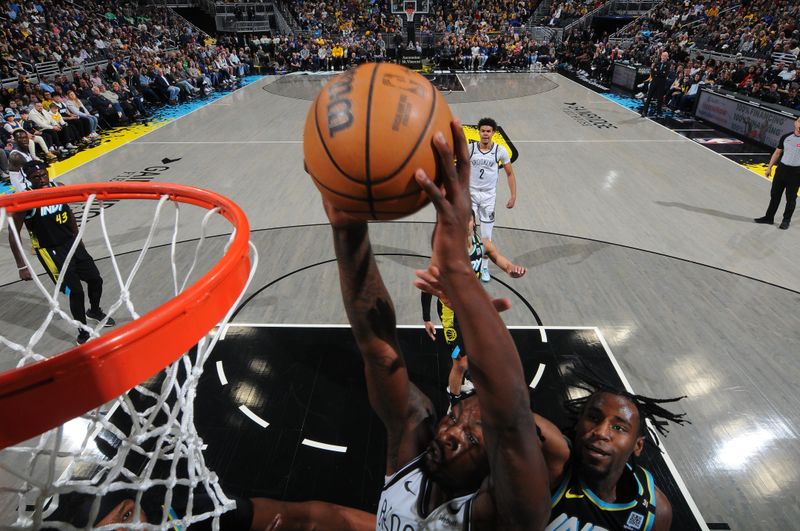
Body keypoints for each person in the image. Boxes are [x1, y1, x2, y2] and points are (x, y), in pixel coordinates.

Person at [324, 120, 551, 529]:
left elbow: (514, 420)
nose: (450, 433)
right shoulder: (413, 448)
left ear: (496, 464)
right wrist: (348, 230)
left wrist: (462, 276)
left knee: (468, 362)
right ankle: (456, 385)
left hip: (465, 299)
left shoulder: (493, 516)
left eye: (471, 438)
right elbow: (379, 351)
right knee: (461, 361)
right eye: (454, 420)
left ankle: (461, 377)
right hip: (455, 307)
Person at [539, 369, 687, 531]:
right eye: (593, 418)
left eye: (618, 427)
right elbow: (517, 419)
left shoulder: (655, 511)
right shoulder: (555, 459)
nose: (601, 432)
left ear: (638, 446)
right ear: (578, 423)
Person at [7, 161, 116, 344]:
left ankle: (94, 311)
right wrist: (22, 265)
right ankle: (83, 332)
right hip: (51, 251)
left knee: (95, 279)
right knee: (76, 292)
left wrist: (78, 236)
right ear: (28, 179)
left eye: (43, 174)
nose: (41, 179)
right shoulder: (26, 201)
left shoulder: (58, 188)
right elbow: (13, 235)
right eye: (35, 177)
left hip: (72, 243)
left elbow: (69, 212)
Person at [422, 211, 527, 399]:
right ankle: (453, 398)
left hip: (472, 309)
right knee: (460, 363)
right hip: (450, 313)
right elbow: (428, 285)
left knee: (475, 349)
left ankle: (464, 381)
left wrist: (512, 270)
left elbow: (502, 261)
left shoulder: (483, 245)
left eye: (467, 220)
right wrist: (426, 318)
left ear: (473, 222)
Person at [468, 117, 517, 282]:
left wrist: (513, 195)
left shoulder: (500, 151)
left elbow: (510, 174)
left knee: (487, 236)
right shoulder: (470, 148)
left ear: (493, 133)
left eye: (488, 131)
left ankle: (485, 268)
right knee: (468, 231)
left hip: (489, 196)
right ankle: (469, 264)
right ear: (479, 132)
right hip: (471, 193)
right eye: (483, 131)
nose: (485, 134)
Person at [754, 116, 800, 230]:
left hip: (796, 173)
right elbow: (777, 153)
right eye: (799, 121)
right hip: (781, 170)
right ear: (795, 122)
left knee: (791, 198)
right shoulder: (786, 137)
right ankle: (769, 217)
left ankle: (786, 220)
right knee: (775, 195)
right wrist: (769, 167)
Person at [640, 51, 671, 118]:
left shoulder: (668, 64)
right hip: (654, 82)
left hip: (661, 83)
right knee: (649, 97)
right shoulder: (657, 63)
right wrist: (659, 72)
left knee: (660, 99)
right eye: (663, 55)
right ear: (661, 56)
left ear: (667, 57)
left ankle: (658, 113)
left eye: (665, 56)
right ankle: (644, 112)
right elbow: (652, 72)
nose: (664, 57)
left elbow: (665, 74)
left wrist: (657, 72)